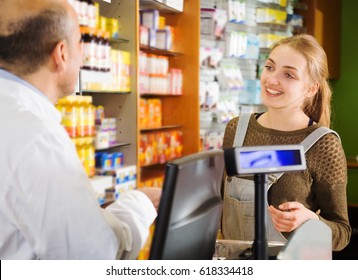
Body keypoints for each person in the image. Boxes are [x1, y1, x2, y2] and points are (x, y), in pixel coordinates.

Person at [0, 0, 161, 259]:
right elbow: (93, 256)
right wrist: (141, 204)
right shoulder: (38, 139)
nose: (84, 55)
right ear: (61, 54)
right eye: (79, 43)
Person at [221, 34, 351, 251]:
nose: (272, 79)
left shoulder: (323, 145)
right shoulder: (236, 129)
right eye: (270, 67)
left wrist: (311, 222)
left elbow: (342, 233)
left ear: (310, 89)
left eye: (289, 75)